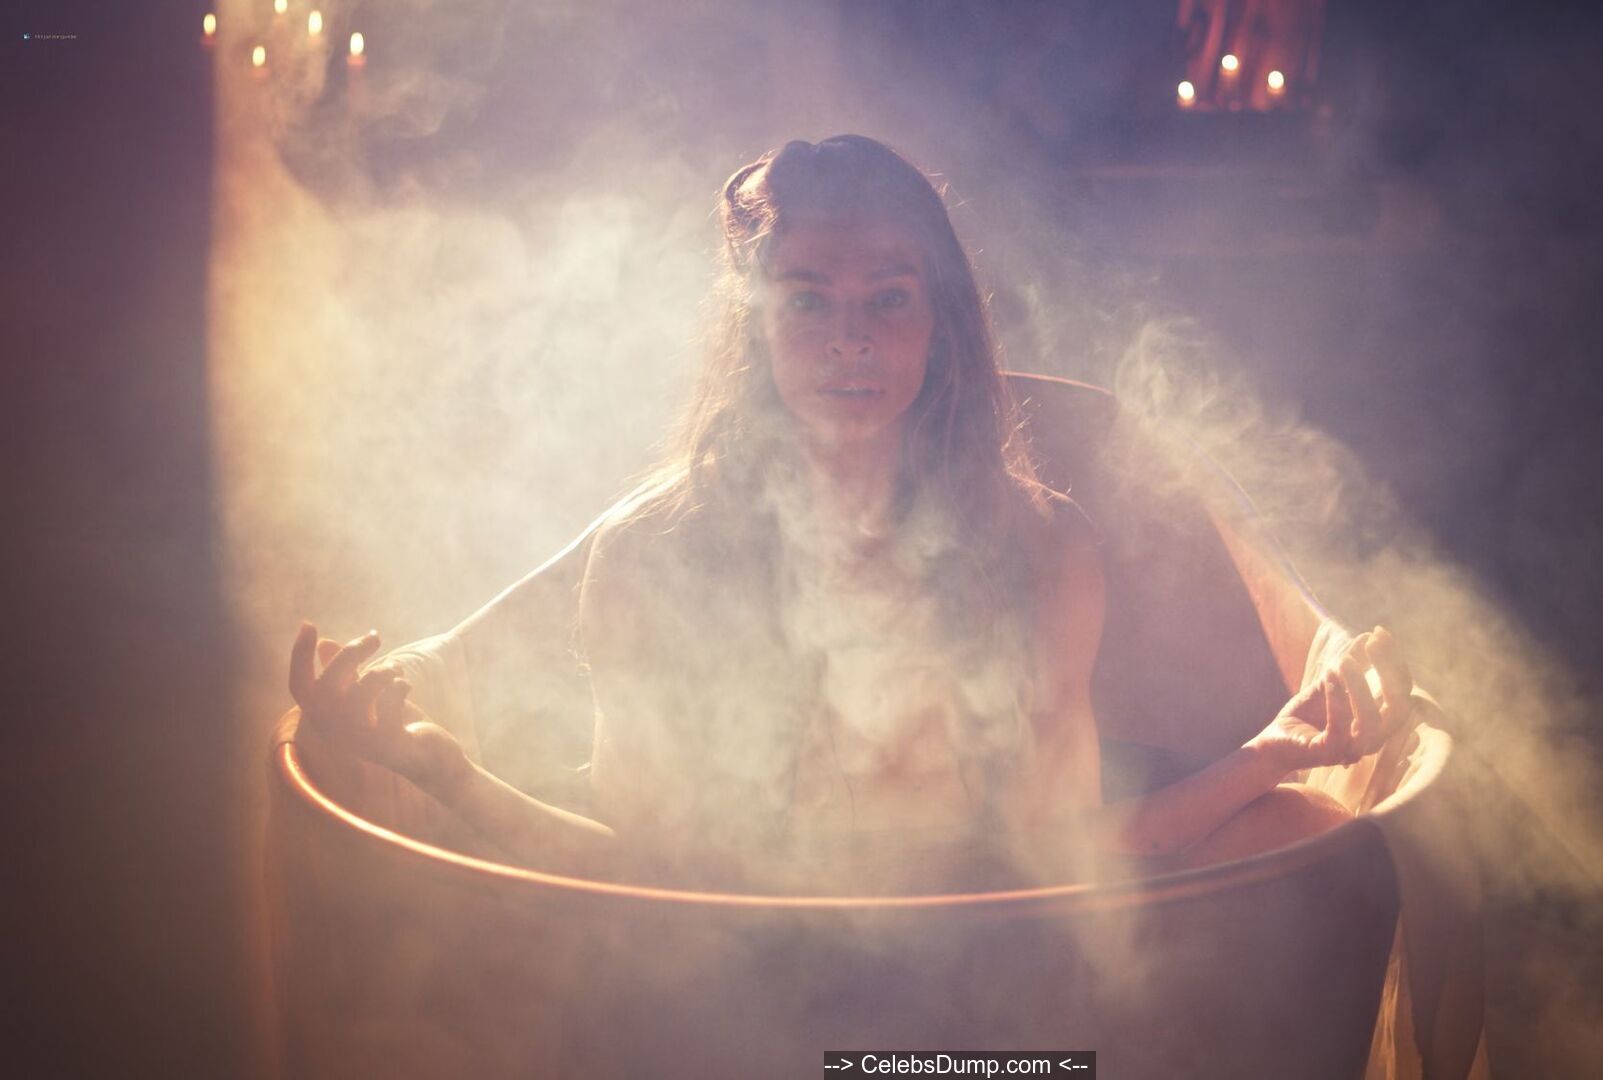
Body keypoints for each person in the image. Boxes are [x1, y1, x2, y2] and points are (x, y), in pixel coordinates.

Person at [287, 135, 1425, 894]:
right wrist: (446, 773)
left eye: (889, 300)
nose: (852, 342)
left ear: (940, 327)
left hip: (991, 969)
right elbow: (641, 886)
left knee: (1313, 832)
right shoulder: (653, 559)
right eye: (808, 303)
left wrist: (1272, 757)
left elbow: (1062, 867)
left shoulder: (1036, 547)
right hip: (746, 982)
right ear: (755, 327)